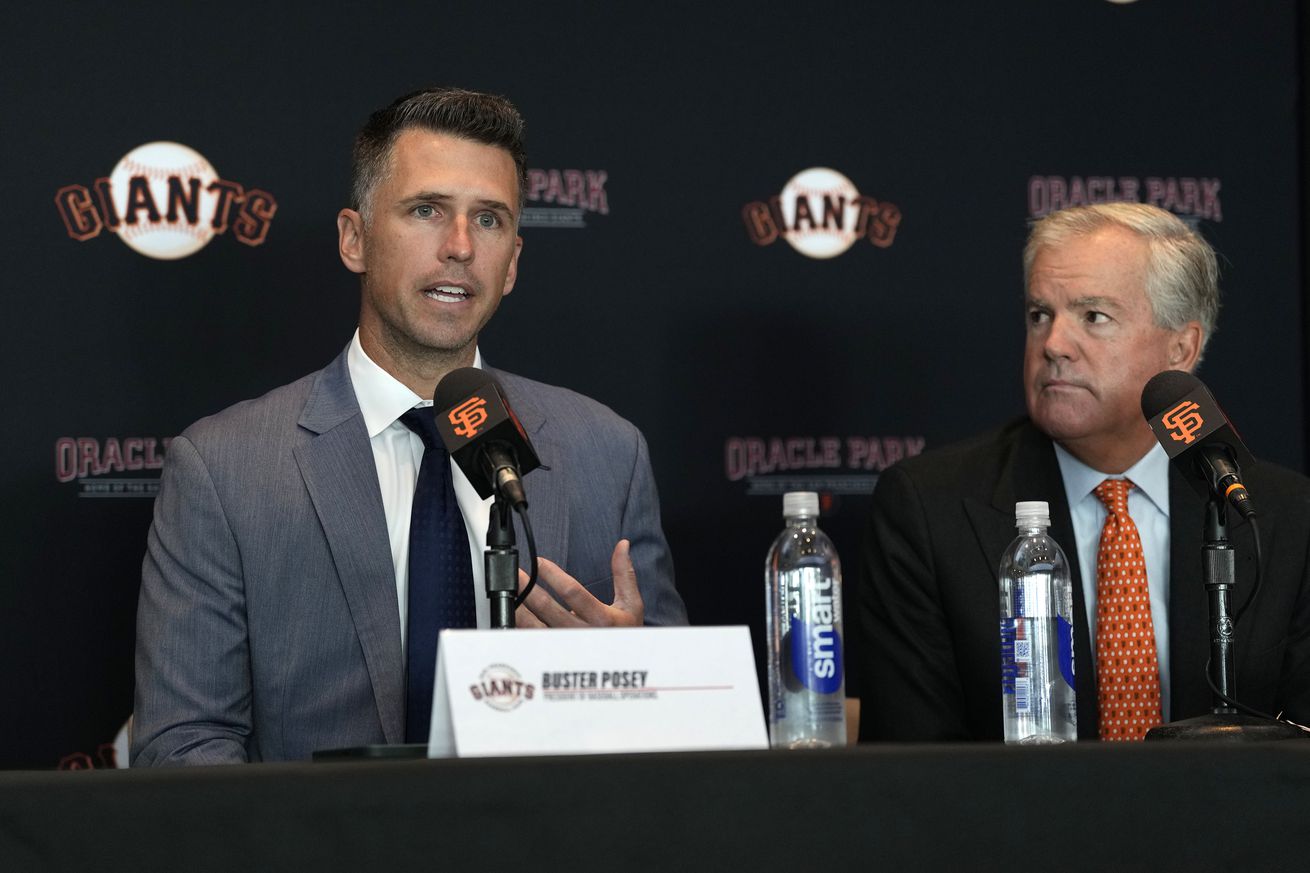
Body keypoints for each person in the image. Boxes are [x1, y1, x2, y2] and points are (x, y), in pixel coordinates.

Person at [133, 87, 687, 765]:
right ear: (354, 238)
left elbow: (683, 748)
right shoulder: (225, 470)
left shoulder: (608, 453)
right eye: (426, 211)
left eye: (488, 220)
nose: (458, 247)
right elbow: (185, 747)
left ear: (512, 261)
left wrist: (641, 686)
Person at [854, 202, 1310, 742]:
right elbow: (912, 773)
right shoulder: (930, 510)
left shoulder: (1280, 516)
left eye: (1094, 317)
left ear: (1181, 348)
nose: (1053, 345)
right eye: (1038, 315)